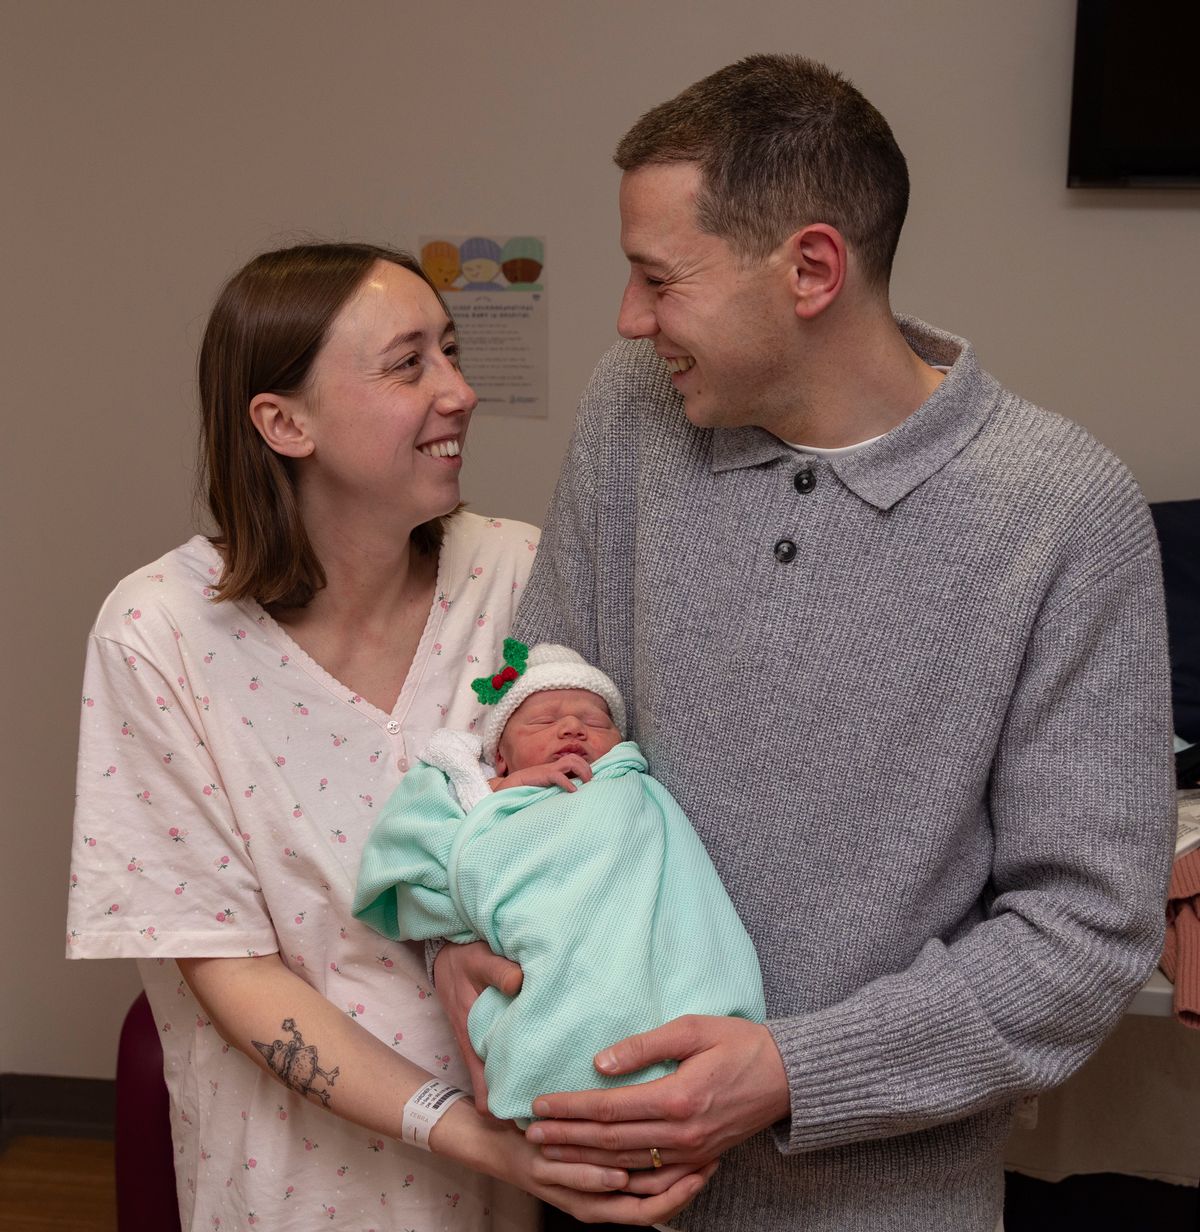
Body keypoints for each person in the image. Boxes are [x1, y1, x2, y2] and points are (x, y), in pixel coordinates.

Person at [435, 55, 1178, 1231]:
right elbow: (529, 708)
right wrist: (454, 941)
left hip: (881, 1204)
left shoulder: (1061, 512)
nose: (631, 319)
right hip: (594, 1176)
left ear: (813, 268)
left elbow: (1085, 931)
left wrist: (790, 1071)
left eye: (657, 279)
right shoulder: (632, 409)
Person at [66, 242, 706, 1231]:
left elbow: (613, 831)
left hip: (522, 1183)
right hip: (288, 1194)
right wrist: (460, 1128)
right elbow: (229, 967)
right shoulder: (161, 635)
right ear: (285, 421)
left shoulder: (516, 576)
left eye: (450, 352)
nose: (459, 391)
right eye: (409, 364)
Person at [352, 640, 766, 1122]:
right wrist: (493, 794)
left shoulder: (629, 788)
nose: (572, 727)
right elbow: (409, 852)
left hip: (643, 962)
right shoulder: (485, 805)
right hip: (542, 966)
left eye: (595, 721)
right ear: (500, 758)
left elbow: (678, 885)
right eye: (543, 722)